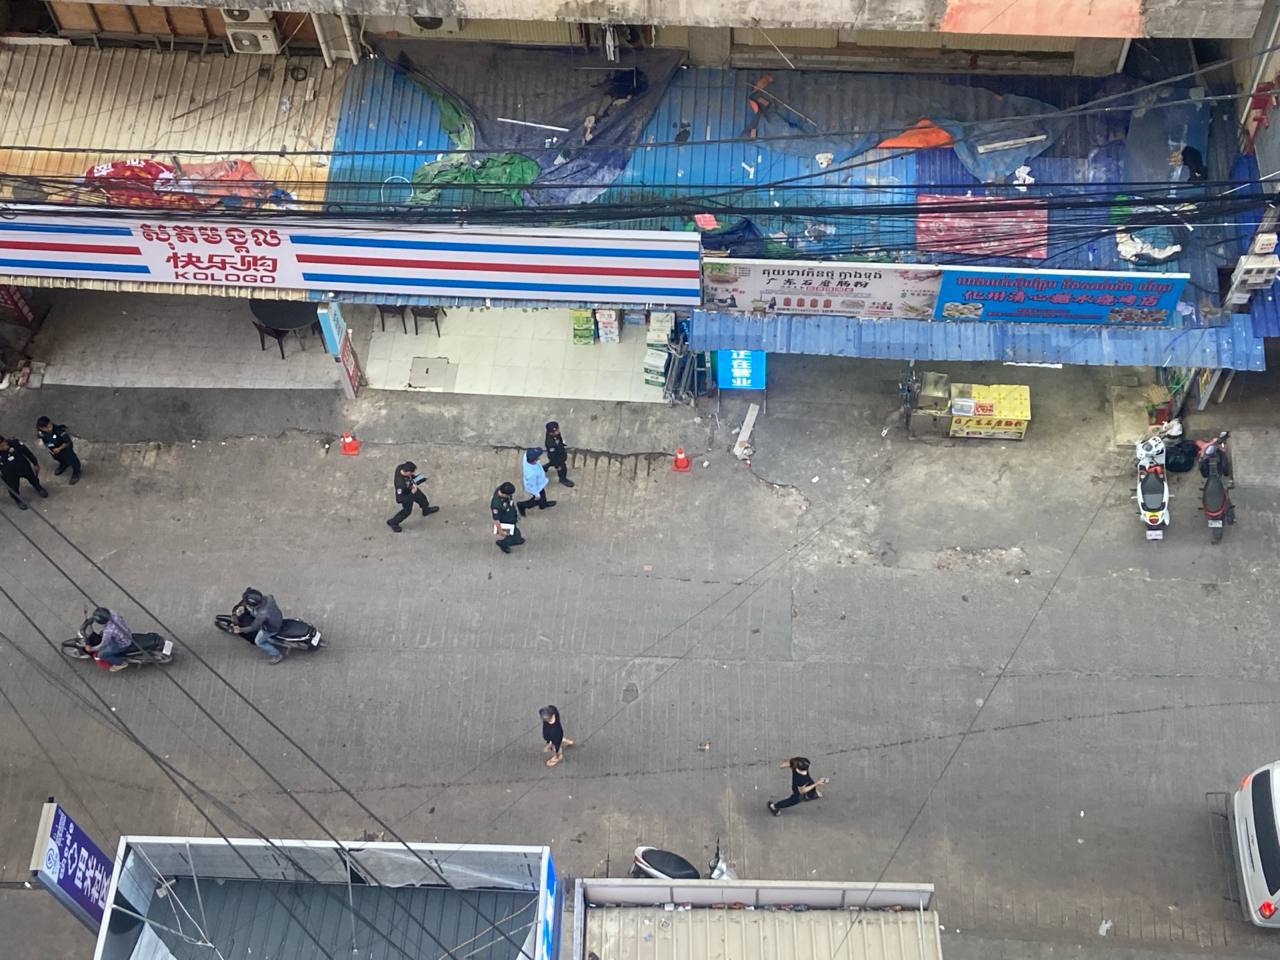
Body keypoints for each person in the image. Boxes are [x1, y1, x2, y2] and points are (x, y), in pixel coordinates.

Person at [232, 587, 288, 664]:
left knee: (258, 642)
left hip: (271, 628)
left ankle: (277, 654)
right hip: (277, 617)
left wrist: (240, 630)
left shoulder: (262, 614)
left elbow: (254, 627)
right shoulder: (268, 598)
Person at [387, 461, 439, 533]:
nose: (413, 473)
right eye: (411, 472)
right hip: (407, 495)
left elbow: (411, 479)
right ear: (407, 472)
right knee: (407, 511)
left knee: (423, 499)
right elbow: (399, 499)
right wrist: (412, 493)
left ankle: (426, 510)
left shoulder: (400, 467)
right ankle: (393, 522)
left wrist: (422, 478)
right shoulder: (400, 485)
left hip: (411, 488)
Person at [0, 436, 46, 509]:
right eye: (1, 447)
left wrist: (35, 463)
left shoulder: (14, 442)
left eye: (4, 444)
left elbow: (27, 452)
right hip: (9, 473)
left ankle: (39, 488)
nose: (5, 447)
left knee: (33, 478)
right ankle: (18, 500)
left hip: (23, 467)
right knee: (13, 488)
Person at [84, 607, 134, 673]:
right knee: (102, 633)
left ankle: (121, 663)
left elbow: (103, 644)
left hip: (122, 644)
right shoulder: (113, 612)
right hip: (126, 633)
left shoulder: (108, 631)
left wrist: (92, 649)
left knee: (101, 655)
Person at [36, 417, 81, 484]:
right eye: (45, 428)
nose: (49, 429)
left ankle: (76, 472)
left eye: (49, 426)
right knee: (58, 458)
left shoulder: (59, 430)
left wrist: (59, 448)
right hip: (53, 451)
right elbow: (40, 436)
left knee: (72, 460)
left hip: (65, 450)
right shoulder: (41, 432)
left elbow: (67, 442)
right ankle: (64, 465)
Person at [518, 448, 556, 516]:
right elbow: (532, 486)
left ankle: (543, 505)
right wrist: (536, 494)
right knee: (537, 499)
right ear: (534, 460)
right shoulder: (531, 474)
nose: (539, 458)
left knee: (542, 496)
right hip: (537, 487)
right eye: (538, 457)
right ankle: (522, 505)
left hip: (539, 484)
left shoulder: (527, 456)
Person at [491, 482, 524, 554]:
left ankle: (517, 539)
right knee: (512, 534)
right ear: (504, 494)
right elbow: (496, 519)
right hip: (506, 521)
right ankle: (503, 543)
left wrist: (515, 514)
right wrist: (500, 531)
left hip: (511, 517)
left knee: (514, 532)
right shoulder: (496, 504)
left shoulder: (504, 491)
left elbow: (511, 504)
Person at [544, 421, 574, 487]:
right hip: (557, 458)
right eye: (556, 431)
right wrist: (558, 465)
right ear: (550, 433)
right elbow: (553, 456)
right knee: (562, 469)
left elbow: (559, 439)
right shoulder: (550, 443)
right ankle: (562, 479)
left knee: (552, 462)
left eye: (558, 429)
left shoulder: (555, 434)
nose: (558, 431)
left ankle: (545, 467)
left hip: (560, 453)